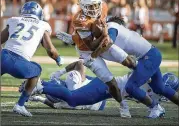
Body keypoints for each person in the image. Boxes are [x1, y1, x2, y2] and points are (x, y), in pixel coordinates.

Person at [56, 16, 179, 118]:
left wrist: (92, 56)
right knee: (160, 88)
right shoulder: (113, 29)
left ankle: (155, 108)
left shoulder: (112, 27)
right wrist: (75, 40)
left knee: (131, 87)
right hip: (148, 56)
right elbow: (97, 42)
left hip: (148, 57)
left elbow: (107, 43)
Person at [59, 0, 136, 108]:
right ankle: (123, 105)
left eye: (96, 5)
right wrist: (104, 35)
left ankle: (144, 76)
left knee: (129, 61)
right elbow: (91, 46)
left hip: (100, 43)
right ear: (83, 6)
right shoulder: (80, 20)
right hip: (87, 51)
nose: (95, 9)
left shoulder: (103, 6)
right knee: (111, 83)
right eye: (91, 6)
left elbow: (103, 29)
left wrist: (106, 31)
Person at [23, 60, 179, 118]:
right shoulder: (151, 79)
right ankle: (40, 86)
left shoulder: (159, 90)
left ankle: (41, 85)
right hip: (108, 86)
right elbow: (134, 89)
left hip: (110, 91)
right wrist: (154, 106)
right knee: (72, 98)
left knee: (73, 98)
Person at [1, 1, 63, 117]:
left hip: (3, 55)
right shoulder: (42, 25)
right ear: (39, 14)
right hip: (18, 63)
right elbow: (51, 50)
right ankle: (20, 105)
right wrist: (58, 59)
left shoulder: (15, 20)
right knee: (37, 70)